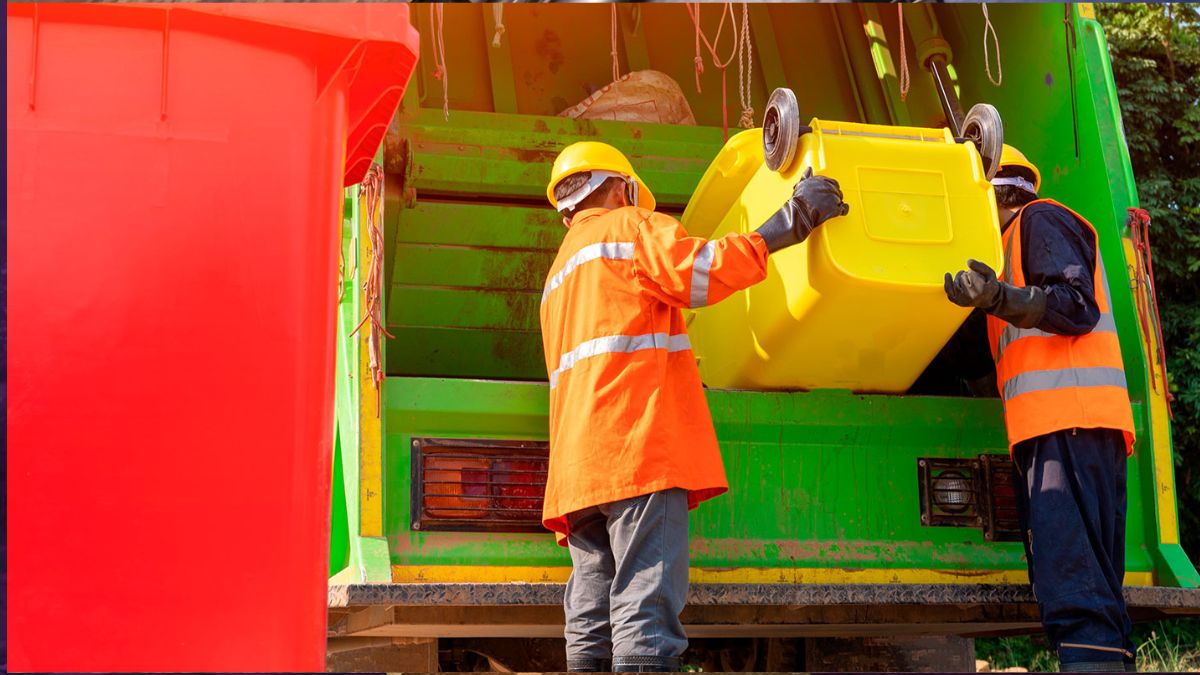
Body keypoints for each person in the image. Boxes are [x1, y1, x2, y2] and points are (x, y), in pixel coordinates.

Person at [539, 141, 848, 672]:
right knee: (645, 609)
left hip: (578, 471)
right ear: (622, 188)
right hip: (637, 447)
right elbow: (700, 270)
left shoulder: (559, 274)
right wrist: (792, 220)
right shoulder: (631, 227)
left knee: (591, 611)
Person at [944, 145, 1138, 673]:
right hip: (1059, 428)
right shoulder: (1003, 253)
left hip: (1071, 421)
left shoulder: (1040, 219)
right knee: (1081, 579)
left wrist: (1000, 298)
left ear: (989, 192)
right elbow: (971, 357)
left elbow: (1075, 306)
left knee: (1074, 580)